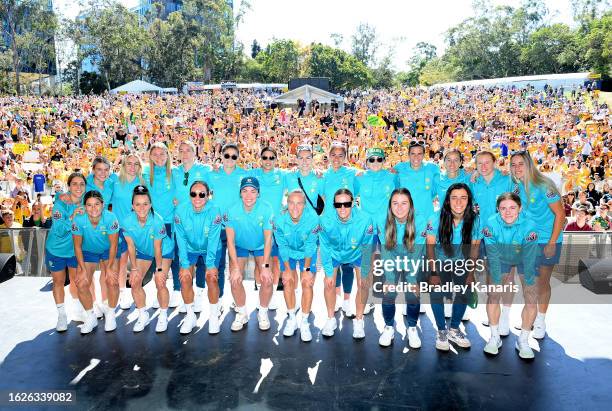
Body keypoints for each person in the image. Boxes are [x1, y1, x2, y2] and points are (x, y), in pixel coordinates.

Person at [509, 151, 565, 339]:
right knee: (528, 284)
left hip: (547, 240)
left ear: (529, 165)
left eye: (520, 164)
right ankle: (529, 318)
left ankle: (540, 320)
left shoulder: (544, 185)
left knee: (542, 283)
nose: (517, 168)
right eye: (513, 164)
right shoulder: (515, 188)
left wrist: (551, 242)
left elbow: (560, 215)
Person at [482, 193, 540, 359]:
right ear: (498, 209)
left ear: (520, 208)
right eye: (503, 208)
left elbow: (529, 259)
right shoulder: (490, 224)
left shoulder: (530, 226)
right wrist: (498, 280)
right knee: (494, 295)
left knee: (531, 296)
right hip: (500, 257)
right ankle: (494, 337)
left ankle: (523, 340)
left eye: (512, 207)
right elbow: (492, 255)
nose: (508, 212)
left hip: (524, 258)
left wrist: (528, 283)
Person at [426, 183, 482, 351]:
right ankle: (441, 331)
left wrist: (470, 273)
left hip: (461, 261)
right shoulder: (435, 218)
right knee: (436, 293)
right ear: (447, 201)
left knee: (464, 290)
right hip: (439, 261)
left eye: (463, 198)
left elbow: (474, 248)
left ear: (469, 201)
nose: (459, 202)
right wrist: (434, 272)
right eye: (454, 198)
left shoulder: (475, 219)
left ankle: (454, 329)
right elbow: (430, 248)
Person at [374, 188, 428, 348]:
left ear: (410, 205)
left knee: (412, 293)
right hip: (392, 258)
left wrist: (412, 280)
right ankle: (389, 326)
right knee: (388, 293)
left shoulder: (420, 220)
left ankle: (412, 327)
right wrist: (390, 279)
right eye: (395, 203)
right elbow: (385, 250)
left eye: (404, 203)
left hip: (413, 259)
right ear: (390, 206)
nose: (399, 207)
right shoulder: (381, 219)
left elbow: (417, 252)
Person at [319, 188, 374, 338]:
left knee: (364, 283)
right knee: (328, 282)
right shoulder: (325, 220)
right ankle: (331, 319)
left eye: (346, 204)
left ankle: (359, 320)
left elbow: (368, 247)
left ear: (353, 203)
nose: (342, 208)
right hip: (334, 253)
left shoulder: (365, 219)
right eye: (338, 205)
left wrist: (365, 272)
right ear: (334, 205)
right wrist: (329, 273)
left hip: (357, 252)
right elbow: (324, 247)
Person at [122, 185, 174, 333]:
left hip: (163, 250)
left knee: (160, 281)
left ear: (150, 204)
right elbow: (131, 247)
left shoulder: (158, 221)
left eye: (145, 204)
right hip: (144, 251)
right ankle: (142, 314)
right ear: (132, 206)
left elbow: (157, 247)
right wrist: (133, 269)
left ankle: (163, 315)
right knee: (134, 281)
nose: (142, 207)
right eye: (137, 204)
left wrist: (159, 270)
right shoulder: (126, 221)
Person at [225, 177, 275, 331]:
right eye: (245, 191)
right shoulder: (231, 210)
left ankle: (263, 312)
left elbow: (268, 239)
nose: (249, 195)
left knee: (266, 278)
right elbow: (230, 242)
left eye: (253, 191)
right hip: (240, 245)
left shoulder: (267, 208)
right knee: (234, 278)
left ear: (258, 193)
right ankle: (241, 312)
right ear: (240, 193)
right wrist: (234, 268)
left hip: (260, 245)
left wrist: (266, 266)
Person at [174, 181, 223, 334]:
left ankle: (214, 315)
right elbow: (180, 239)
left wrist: (210, 265)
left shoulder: (215, 211)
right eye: (193, 193)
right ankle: (190, 316)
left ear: (208, 196)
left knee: (212, 277)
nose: (197, 197)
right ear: (189, 195)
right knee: (185, 277)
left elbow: (214, 240)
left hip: (210, 247)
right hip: (189, 248)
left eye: (202, 194)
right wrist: (184, 264)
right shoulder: (180, 211)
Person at [171, 141, 212, 312]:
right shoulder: (174, 172)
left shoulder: (205, 170)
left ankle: (200, 292)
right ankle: (181, 292)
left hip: (200, 220)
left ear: (195, 152)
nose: (185, 153)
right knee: (180, 257)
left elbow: (211, 192)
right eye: (181, 150)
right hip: (180, 221)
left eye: (188, 150)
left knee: (202, 258)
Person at [71, 190, 120, 335]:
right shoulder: (79, 220)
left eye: (97, 204)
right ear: (85, 207)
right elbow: (77, 246)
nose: (93, 208)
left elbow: (113, 245)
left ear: (103, 205)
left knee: (112, 280)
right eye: (89, 205)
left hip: (107, 251)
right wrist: (82, 269)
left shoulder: (110, 218)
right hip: (88, 252)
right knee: (81, 282)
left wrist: (110, 267)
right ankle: (90, 316)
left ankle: (111, 314)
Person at [273, 189, 319, 341]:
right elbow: (282, 246)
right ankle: (291, 317)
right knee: (287, 282)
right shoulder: (278, 220)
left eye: (299, 203)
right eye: (291, 203)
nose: (295, 207)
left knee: (307, 282)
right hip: (289, 252)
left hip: (307, 252)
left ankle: (304, 321)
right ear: (286, 204)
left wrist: (306, 269)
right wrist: (286, 269)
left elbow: (310, 246)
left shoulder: (313, 219)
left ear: (305, 206)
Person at [207, 143, 247, 309]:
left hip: (236, 228)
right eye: (227, 155)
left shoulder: (244, 175)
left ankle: (237, 300)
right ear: (221, 156)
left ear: (238, 158)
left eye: (233, 156)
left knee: (235, 266)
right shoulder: (212, 174)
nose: (230, 159)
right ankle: (220, 300)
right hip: (217, 228)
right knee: (218, 266)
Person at [45, 172, 86, 331]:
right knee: (58, 282)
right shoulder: (60, 204)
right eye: (74, 184)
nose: (78, 187)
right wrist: (73, 216)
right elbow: (61, 230)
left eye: (81, 184)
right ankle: (61, 316)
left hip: (75, 250)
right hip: (56, 250)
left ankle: (78, 311)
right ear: (69, 187)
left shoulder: (85, 201)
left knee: (78, 281)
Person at [322, 142, 359, 317]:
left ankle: (346, 301)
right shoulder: (323, 176)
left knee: (348, 266)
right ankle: (336, 298)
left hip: (350, 226)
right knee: (334, 264)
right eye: (333, 155)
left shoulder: (353, 174)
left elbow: (360, 193)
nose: (336, 158)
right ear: (328, 156)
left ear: (345, 157)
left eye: (340, 155)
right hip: (331, 226)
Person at [251, 147, 287, 309]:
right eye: (265, 157)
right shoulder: (253, 175)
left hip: (277, 225)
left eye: (271, 157)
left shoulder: (283, 175)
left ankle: (270, 293)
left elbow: (300, 177)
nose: (268, 160)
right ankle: (259, 293)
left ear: (276, 159)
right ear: (260, 159)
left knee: (275, 260)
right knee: (260, 261)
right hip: (258, 225)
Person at [143, 142, 177, 306]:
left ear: (168, 155)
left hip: (170, 223)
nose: (159, 157)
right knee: (157, 260)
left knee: (172, 259)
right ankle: (160, 291)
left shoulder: (174, 173)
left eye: (162, 154)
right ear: (150, 156)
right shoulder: (145, 174)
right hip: (153, 224)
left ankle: (176, 292)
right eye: (155, 154)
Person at [110, 151, 145, 310]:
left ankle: (130, 292)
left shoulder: (142, 183)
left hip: (135, 228)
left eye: (135, 164)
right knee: (118, 263)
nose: (132, 167)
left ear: (139, 166)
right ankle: (119, 293)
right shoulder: (114, 180)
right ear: (123, 165)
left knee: (132, 263)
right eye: (129, 163)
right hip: (117, 228)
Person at [393, 141, 440, 220]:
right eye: (413, 154)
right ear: (408, 155)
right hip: (405, 217)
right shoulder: (399, 167)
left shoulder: (432, 168)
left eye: (419, 154)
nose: (416, 157)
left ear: (424, 155)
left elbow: (443, 181)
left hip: (426, 217)